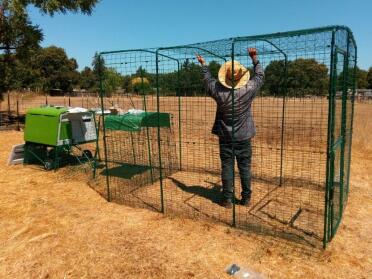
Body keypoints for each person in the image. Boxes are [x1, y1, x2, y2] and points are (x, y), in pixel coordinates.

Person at [196, 48, 264, 208]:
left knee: (227, 167)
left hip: (225, 137)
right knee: (245, 168)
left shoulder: (219, 91)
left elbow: (207, 81)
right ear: (241, 77)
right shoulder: (248, 89)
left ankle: (227, 199)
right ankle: (246, 198)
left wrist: (204, 65)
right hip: (244, 137)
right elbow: (260, 76)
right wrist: (254, 57)